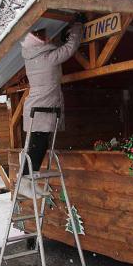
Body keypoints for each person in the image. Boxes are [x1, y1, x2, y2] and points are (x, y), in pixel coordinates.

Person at [18, 15, 84, 197]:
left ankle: (27, 179)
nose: (49, 39)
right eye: (45, 37)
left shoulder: (32, 58)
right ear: (40, 42)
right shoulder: (47, 58)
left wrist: (62, 36)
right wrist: (77, 26)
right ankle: (24, 179)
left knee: (35, 145)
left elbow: (58, 46)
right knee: (37, 146)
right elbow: (70, 48)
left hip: (37, 107)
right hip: (43, 107)